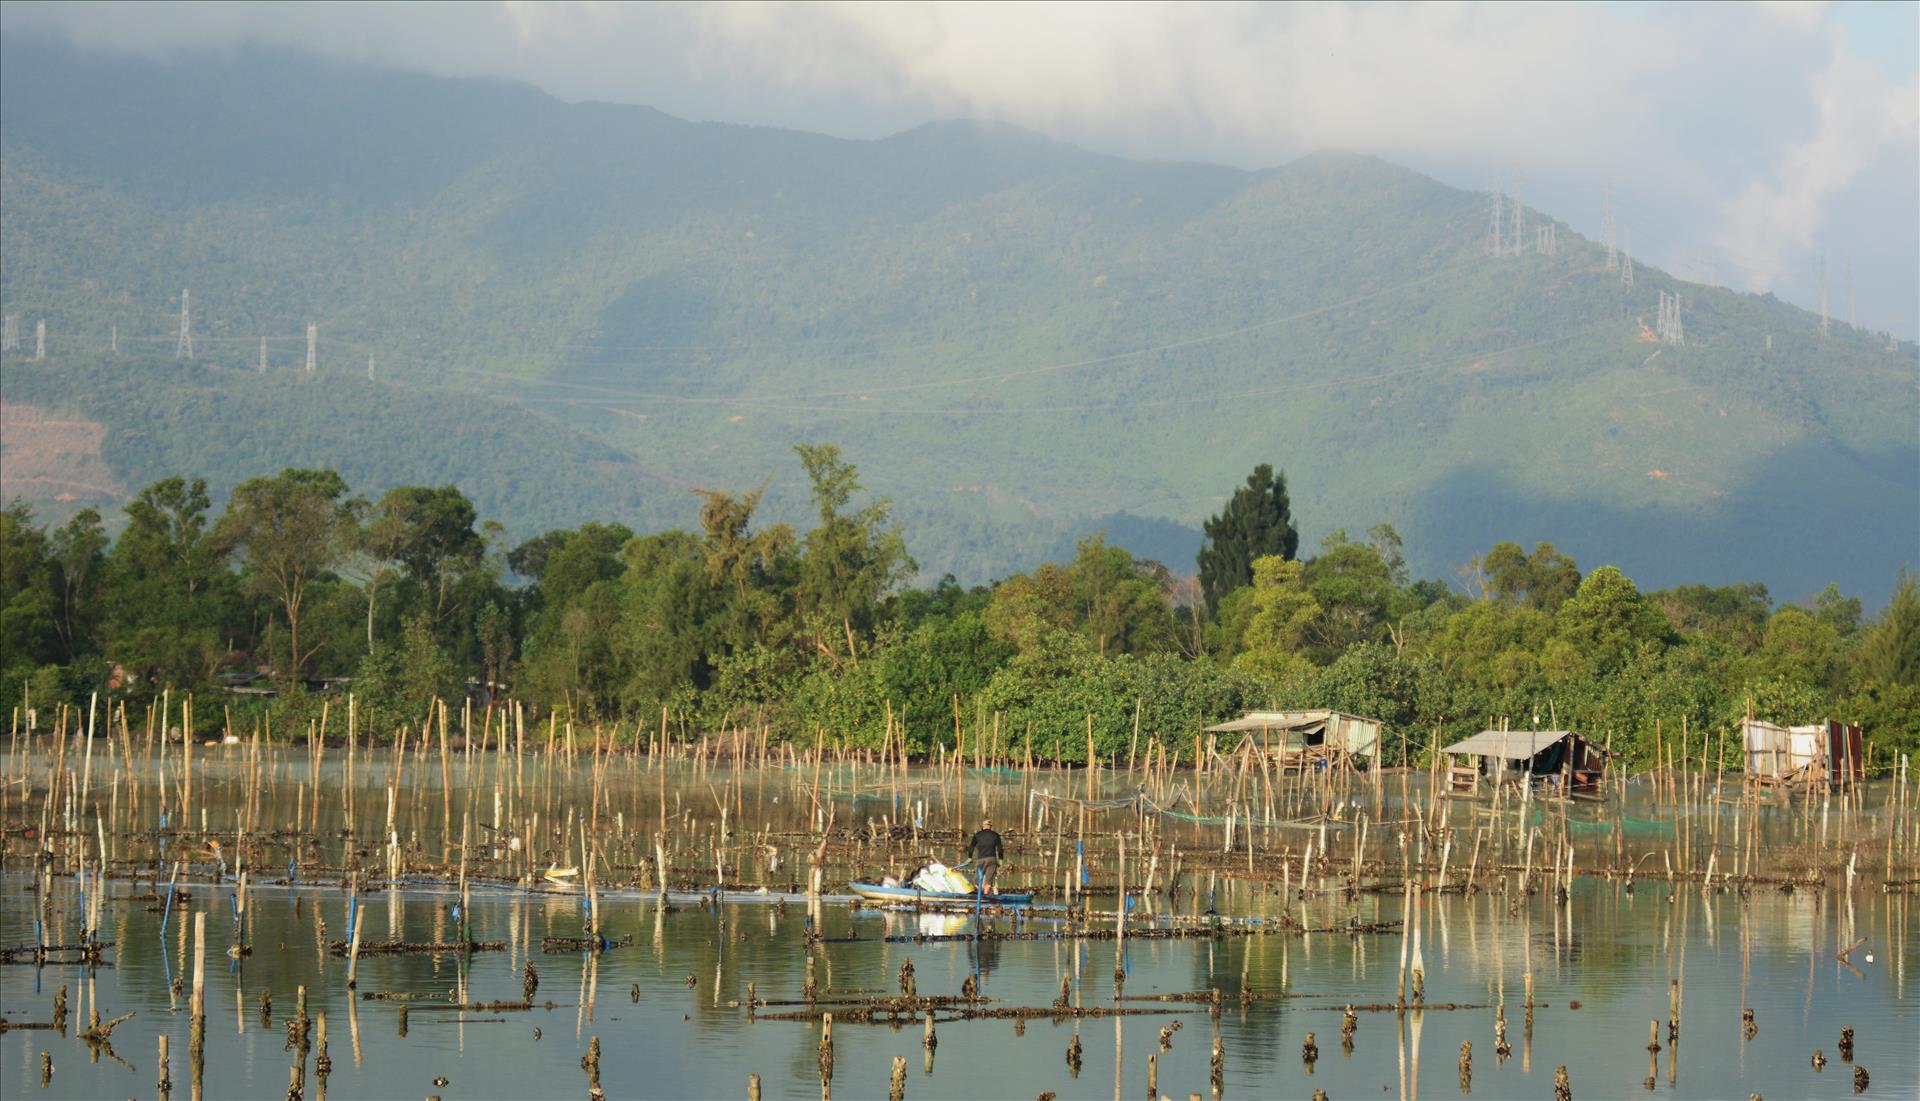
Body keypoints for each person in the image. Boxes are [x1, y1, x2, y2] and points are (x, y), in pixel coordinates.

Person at [963, 818, 1005, 893]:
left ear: (983, 826)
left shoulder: (977, 835)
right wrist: (1001, 859)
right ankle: (986, 897)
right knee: (988, 882)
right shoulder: (996, 835)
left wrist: (969, 857)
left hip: (981, 860)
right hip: (992, 860)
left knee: (976, 881)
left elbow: (971, 847)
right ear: (991, 826)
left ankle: (981, 894)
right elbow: (1000, 848)